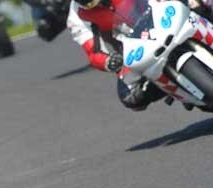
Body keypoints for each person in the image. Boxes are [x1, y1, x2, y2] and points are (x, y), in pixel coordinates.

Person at [68, 0, 213, 110]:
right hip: (135, 49)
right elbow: (93, 51)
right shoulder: (77, 18)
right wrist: (108, 61)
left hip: (163, 14)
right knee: (130, 97)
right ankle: (183, 92)